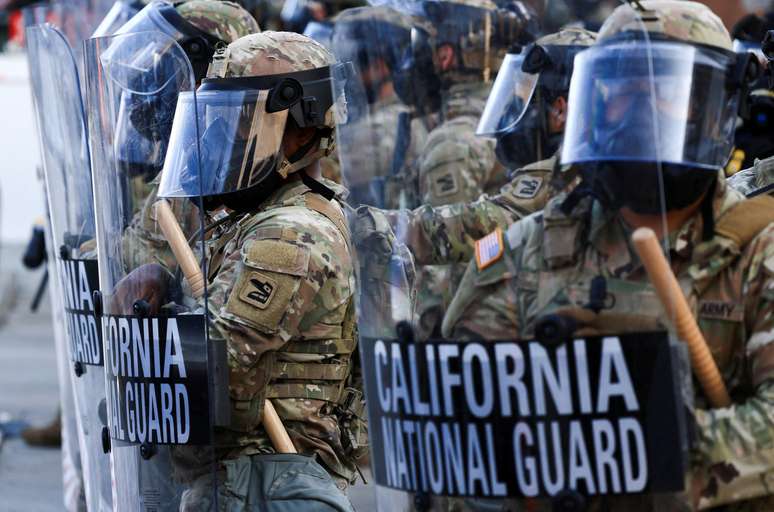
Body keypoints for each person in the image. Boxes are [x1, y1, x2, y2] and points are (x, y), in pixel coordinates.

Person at [443, 1, 774, 510]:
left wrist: (630, 447)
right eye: (620, 88)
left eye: (667, 90)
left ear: (714, 105)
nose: (642, 110)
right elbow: (463, 412)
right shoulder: (528, 246)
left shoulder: (760, 250)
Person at [154, 31, 363, 510]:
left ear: (302, 131)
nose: (213, 140)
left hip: (262, 487)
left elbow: (215, 374)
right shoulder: (262, 219)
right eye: (210, 121)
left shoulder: (288, 234)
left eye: (237, 122)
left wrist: (145, 349)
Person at [353, 28, 596, 271]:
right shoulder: (603, 163)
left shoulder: (569, 174)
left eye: (526, 102)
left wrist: (372, 226)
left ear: (561, 111)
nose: (519, 113)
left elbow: (481, 225)